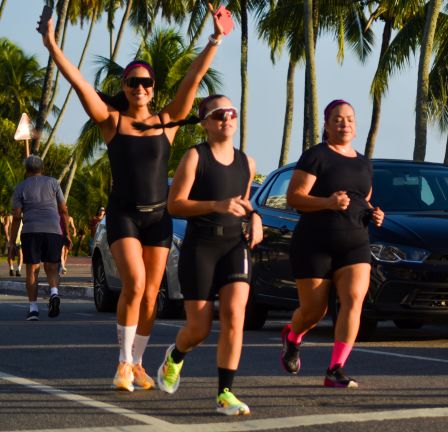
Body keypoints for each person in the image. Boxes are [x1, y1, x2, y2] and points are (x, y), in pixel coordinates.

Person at [38, 4, 227, 392]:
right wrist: (52, 45)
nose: (139, 88)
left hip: (158, 218)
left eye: (146, 83)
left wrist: (215, 40)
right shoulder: (112, 122)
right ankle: (123, 363)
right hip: (123, 215)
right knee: (135, 285)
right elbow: (79, 85)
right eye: (132, 82)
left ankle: (139, 363)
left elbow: (194, 78)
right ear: (124, 87)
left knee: (151, 298)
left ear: (153, 89)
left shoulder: (168, 121)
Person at [155, 95, 262, 416]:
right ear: (204, 123)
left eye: (231, 113)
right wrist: (215, 206)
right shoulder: (194, 157)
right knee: (199, 329)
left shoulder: (247, 162)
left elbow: (244, 205)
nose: (226, 119)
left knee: (234, 314)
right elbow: (175, 205)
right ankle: (175, 355)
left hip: (234, 246)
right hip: (201, 247)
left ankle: (225, 393)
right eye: (218, 115)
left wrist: (254, 218)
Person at [279, 99, 384, 388]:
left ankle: (335, 369)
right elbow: (295, 197)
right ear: (326, 125)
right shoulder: (316, 156)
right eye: (338, 119)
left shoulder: (364, 162)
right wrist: (328, 202)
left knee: (353, 301)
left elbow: (364, 198)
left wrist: (374, 212)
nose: (345, 123)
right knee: (314, 312)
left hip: (355, 243)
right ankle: (293, 336)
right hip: (315, 242)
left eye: (349, 118)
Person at [10, 155, 70, 321]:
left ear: (26, 170)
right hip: (53, 230)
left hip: (31, 231)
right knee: (52, 267)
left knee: (33, 269)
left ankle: (33, 309)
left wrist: (11, 243)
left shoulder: (20, 187)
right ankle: (54, 293)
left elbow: (16, 217)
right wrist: (67, 234)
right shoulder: (53, 183)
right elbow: (63, 210)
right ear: (42, 168)